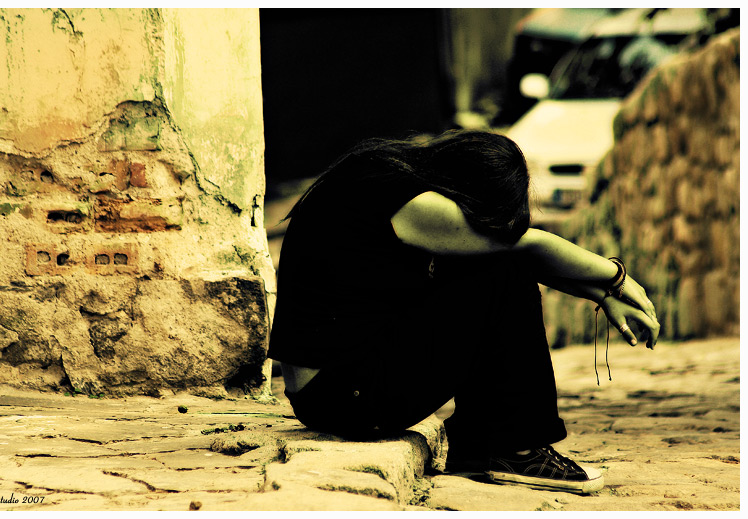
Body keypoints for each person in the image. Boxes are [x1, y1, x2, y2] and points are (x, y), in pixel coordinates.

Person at [267, 129, 659, 494]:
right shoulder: (416, 205)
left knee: (493, 265)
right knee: (502, 269)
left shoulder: (384, 177)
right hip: (344, 398)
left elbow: (515, 251)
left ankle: (480, 448)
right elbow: (529, 246)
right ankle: (518, 449)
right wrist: (615, 277)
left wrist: (603, 294)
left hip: (329, 391)